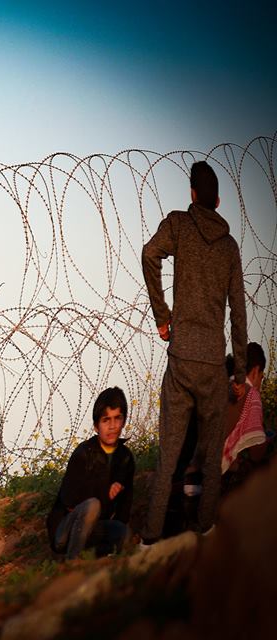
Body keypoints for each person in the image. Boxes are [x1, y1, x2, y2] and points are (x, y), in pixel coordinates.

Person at [140, 160, 248, 545]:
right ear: (217, 200)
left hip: (182, 356)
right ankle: (204, 529)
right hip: (213, 362)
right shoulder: (230, 247)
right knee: (212, 456)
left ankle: (150, 538)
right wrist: (238, 374)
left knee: (169, 454)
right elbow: (238, 309)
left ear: (192, 195)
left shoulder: (178, 225)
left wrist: (162, 316)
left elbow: (149, 254)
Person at [47, 387, 135, 560]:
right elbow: (69, 502)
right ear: (96, 426)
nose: (112, 426)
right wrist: (105, 492)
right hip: (65, 530)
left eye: (117, 418)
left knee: (123, 532)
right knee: (92, 506)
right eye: (106, 420)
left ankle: (98, 560)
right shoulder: (84, 454)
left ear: (124, 420)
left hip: (95, 527)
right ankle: (72, 563)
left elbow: (124, 509)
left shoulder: (126, 459)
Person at [221, 342, 268, 492]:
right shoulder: (252, 395)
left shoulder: (224, 384)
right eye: (261, 377)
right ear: (255, 371)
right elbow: (256, 453)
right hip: (219, 473)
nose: (260, 382)